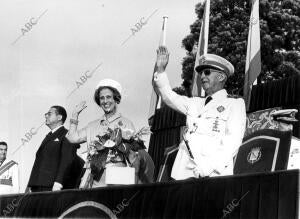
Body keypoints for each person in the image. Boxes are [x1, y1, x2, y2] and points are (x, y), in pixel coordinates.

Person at [153, 46, 246, 179]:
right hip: (182, 173)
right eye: (201, 73)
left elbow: (232, 141)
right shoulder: (194, 103)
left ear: (221, 77)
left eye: (207, 72)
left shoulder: (234, 104)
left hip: (212, 174)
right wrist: (161, 69)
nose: (202, 76)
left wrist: (208, 167)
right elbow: (169, 96)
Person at [67, 79, 154, 188]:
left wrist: (134, 182)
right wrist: (74, 115)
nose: (105, 101)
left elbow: (134, 158)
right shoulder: (91, 126)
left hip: (118, 179)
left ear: (116, 99)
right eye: (102, 98)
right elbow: (72, 138)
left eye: (108, 97)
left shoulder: (126, 123)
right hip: (95, 181)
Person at [27, 106, 82, 192]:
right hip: (38, 186)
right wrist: (31, 185)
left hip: (52, 186)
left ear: (59, 117)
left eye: (49, 114)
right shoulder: (48, 136)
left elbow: (67, 160)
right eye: (46, 114)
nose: (46, 116)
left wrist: (58, 183)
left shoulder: (67, 134)